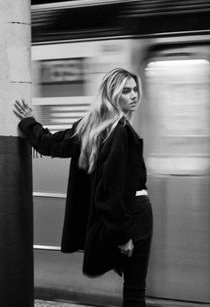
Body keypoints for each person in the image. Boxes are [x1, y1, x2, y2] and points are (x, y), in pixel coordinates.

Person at [13, 68, 153, 307]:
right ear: (112, 95)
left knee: (133, 285)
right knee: (135, 287)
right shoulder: (119, 131)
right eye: (126, 91)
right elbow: (109, 190)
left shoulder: (90, 127)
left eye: (135, 89)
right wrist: (122, 235)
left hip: (123, 216)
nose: (134, 95)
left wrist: (29, 123)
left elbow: (50, 144)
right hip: (134, 214)